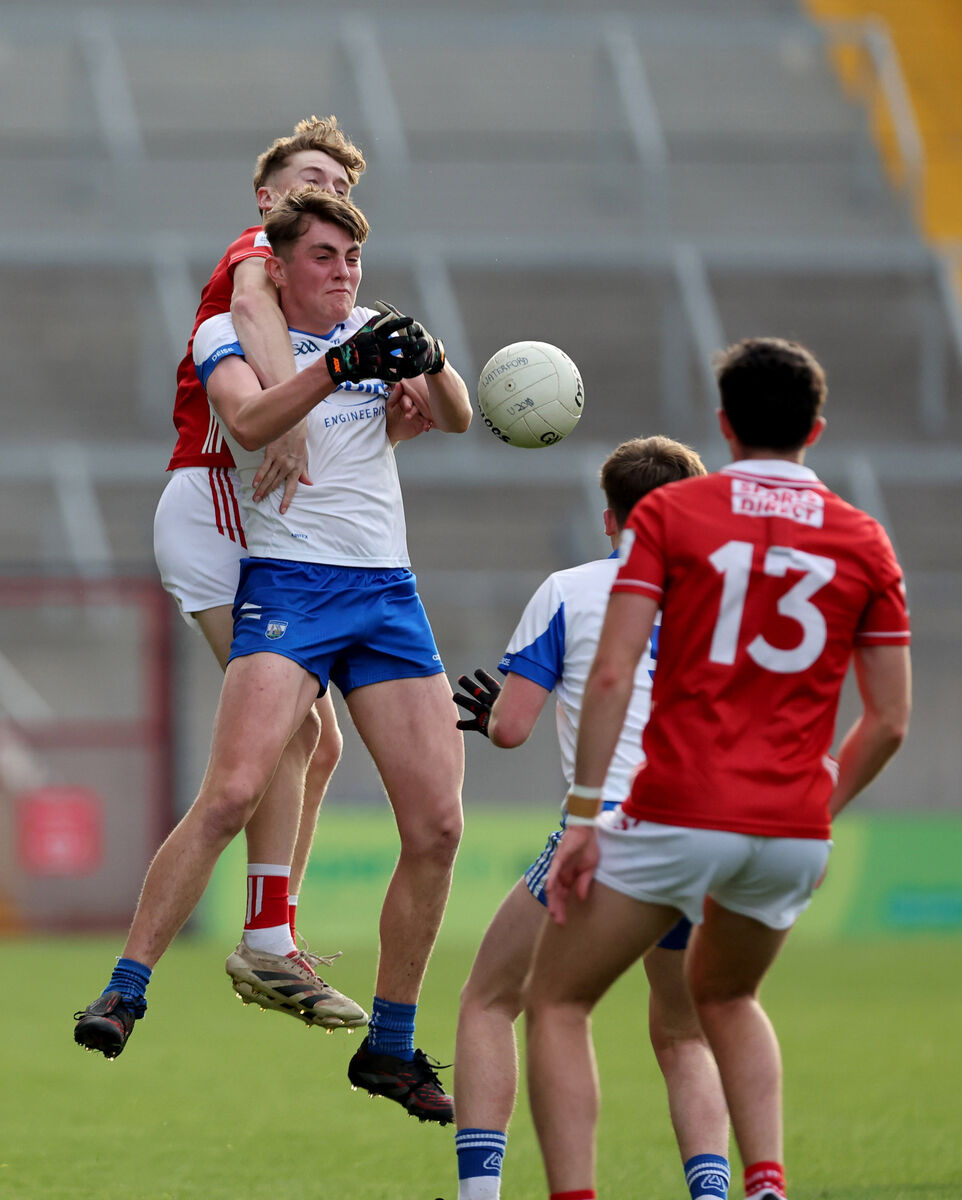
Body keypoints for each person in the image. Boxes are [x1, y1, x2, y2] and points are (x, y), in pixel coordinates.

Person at [75, 188, 471, 1126]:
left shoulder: (374, 330)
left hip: (385, 596)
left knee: (440, 827)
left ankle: (391, 1043)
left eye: (352, 260)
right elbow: (248, 426)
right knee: (232, 791)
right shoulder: (228, 335)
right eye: (326, 258)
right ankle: (126, 989)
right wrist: (343, 365)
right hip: (291, 588)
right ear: (279, 266)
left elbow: (453, 417)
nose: (344, 275)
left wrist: (435, 360)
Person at [524, 337, 912, 1200]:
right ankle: (765, 1183)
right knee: (726, 997)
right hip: (790, 831)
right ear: (817, 427)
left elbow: (617, 672)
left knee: (556, 1001)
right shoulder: (864, 538)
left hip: (675, 807)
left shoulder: (672, 516)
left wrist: (585, 818)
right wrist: (819, 801)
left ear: (725, 425)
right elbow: (889, 720)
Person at [152, 115, 424, 1029]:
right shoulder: (256, 256)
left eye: (343, 187)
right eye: (310, 179)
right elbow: (262, 322)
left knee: (316, 739)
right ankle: (263, 943)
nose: (330, 195)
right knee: (285, 742)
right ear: (266, 197)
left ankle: (273, 935)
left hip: (241, 504)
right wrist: (294, 414)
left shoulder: (323, 284)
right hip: (218, 499)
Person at [449, 436, 730, 1200]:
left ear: (609, 520)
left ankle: (485, 1194)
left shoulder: (570, 590)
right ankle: (712, 1192)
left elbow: (510, 728)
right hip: (708, 833)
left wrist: (492, 713)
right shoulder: (726, 598)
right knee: (683, 1031)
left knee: (492, 1000)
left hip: (606, 830)